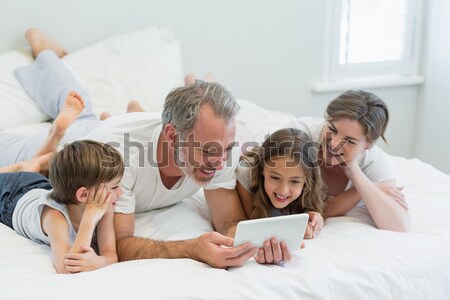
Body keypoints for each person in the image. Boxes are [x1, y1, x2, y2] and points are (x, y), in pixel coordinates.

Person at [1, 28, 257, 268]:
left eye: (226, 150)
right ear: (172, 135)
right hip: (79, 149)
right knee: (78, 111)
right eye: (207, 151)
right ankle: (43, 50)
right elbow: (120, 243)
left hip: (113, 132)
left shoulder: (220, 147)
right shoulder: (120, 160)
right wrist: (192, 248)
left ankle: (117, 113)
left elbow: (229, 223)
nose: (221, 162)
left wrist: (252, 244)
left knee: (86, 113)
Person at [286, 90, 410, 232]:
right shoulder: (299, 136)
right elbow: (287, 201)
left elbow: (399, 225)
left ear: (368, 145)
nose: (334, 143)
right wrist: (364, 190)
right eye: (332, 129)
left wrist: (356, 174)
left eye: (349, 141)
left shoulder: (373, 160)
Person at [0, 140, 125, 273]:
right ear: (84, 195)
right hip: (10, 196)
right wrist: (89, 218)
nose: (121, 193)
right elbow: (66, 268)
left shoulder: (105, 207)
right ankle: (20, 167)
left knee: (38, 179)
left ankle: (28, 168)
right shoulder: (55, 217)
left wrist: (100, 261)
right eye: (115, 187)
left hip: (41, 186)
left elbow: (111, 254)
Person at [235, 128, 326, 264]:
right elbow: (252, 223)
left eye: (295, 181)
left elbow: (316, 207)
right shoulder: (246, 174)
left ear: (306, 181)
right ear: (262, 169)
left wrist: (313, 218)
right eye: (275, 177)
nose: (283, 191)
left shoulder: (311, 181)